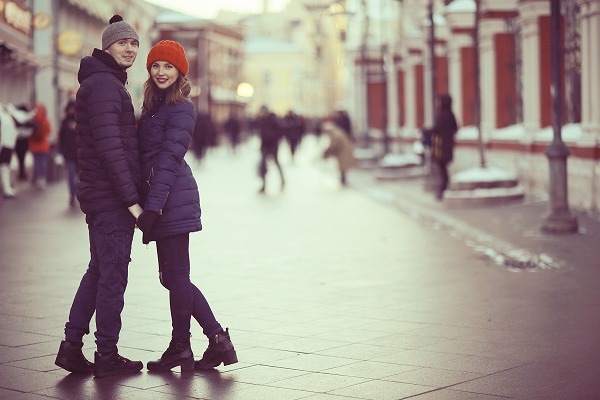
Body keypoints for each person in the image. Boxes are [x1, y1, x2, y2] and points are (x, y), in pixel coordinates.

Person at [136, 40, 238, 373]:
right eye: (155, 66)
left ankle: (187, 345)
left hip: (171, 200)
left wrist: (152, 207)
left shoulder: (181, 108)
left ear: (180, 71)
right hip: (164, 199)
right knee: (173, 278)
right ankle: (210, 340)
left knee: (176, 277)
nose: (161, 72)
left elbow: (167, 160)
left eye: (168, 66)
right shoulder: (154, 105)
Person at [54, 15, 144, 378]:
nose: (130, 49)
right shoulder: (106, 85)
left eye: (134, 43)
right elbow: (112, 150)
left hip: (100, 196)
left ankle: (71, 347)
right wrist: (132, 201)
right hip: (110, 200)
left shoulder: (103, 82)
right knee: (112, 277)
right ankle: (106, 353)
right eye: (122, 43)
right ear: (107, 46)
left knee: (98, 271)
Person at [430, 94, 458, 200]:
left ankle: (443, 190)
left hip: (441, 148)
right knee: (443, 169)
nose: (438, 104)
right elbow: (455, 128)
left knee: (442, 170)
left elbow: (436, 129)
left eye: (439, 102)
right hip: (446, 147)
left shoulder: (444, 116)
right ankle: (442, 190)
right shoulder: (450, 115)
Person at [256, 105, 284, 193]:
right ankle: (264, 185)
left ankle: (283, 180)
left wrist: (271, 137)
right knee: (263, 166)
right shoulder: (261, 120)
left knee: (276, 163)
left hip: (272, 145)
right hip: (265, 146)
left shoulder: (273, 119)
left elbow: (280, 132)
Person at [321, 120, 356, 186]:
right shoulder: (337, 132)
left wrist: (326, 152)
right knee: (343, 166)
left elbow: (334, 145)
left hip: (343, 151)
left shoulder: (334, 134)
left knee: (343, 165)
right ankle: (343, 179)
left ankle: (343, 180)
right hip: (344, 150)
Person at [58, 100, 78, 207]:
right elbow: (61, 138)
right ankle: (72, 195)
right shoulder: (64, 122)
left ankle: (79, 193)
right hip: (69, 155)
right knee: (70, 175)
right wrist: (61, 151)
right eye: (70, 108)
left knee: (80, 177)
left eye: (73, 108)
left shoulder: (80, 120)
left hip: (79, 155)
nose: (71, 110)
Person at [29, 103, 51, 189]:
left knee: (37, 163)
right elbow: (48, 132)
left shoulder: (32, 121)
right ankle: (42, 179)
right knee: (42, 163)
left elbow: (29, 133)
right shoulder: (45, 120)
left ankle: (38, 179)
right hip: (43, 146)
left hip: (34, 146)